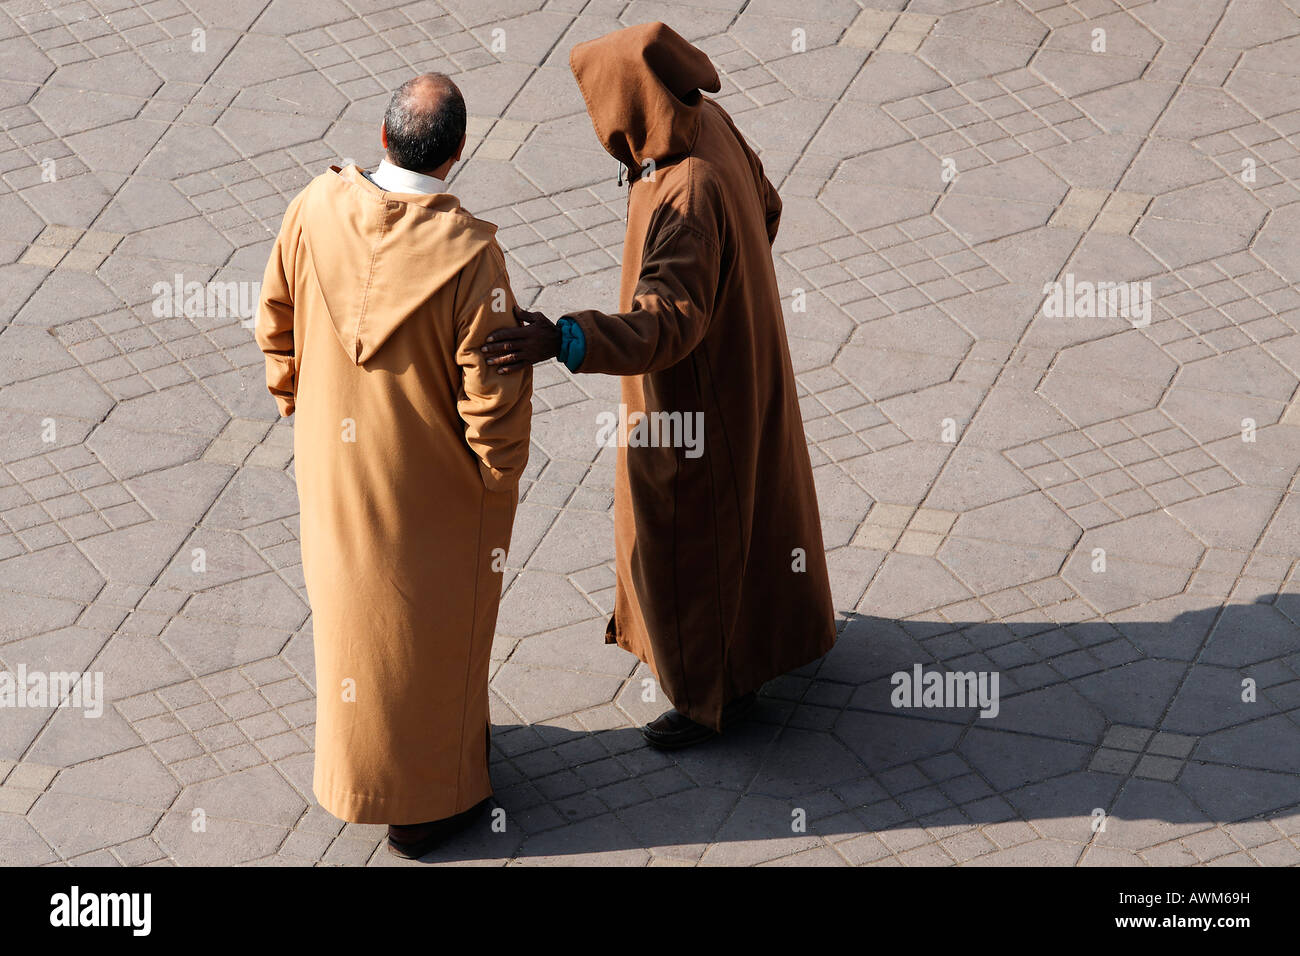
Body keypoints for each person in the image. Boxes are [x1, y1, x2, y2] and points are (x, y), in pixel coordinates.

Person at [483, 23, 837, 749]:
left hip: (694, 400)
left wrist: (565, 339)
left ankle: (715, 696)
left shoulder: (684, 189)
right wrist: (737, 293)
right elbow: (769, 206)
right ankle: (768, 643)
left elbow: (668, 322)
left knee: (689, 539)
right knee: (758, 516)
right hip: (747, 361)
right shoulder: (709, 126)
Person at [255, 73, 532, 858]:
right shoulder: (473, 257)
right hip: (432, 489)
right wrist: (496, 475)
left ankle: (360, 773)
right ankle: (428, 802)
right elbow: (494, 391)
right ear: (457, 156)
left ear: (383, 139)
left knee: (356, 632)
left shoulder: (314, 207)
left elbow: (274, 314)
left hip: (333, 468)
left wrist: (294, 400)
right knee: (433, 630)